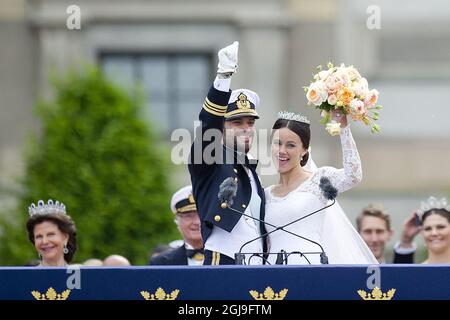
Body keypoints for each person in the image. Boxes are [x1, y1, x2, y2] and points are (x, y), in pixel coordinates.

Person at [188, 41, 267, 265]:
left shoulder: (250, 171)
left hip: (258, 266)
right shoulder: (210, 160)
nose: (245, 128)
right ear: (222, 129)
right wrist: (223, 78)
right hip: (223, 261)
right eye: (236, 122)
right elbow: (208, 128)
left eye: (250, 122)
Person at [264, 111, 377, 264]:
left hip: (309, 269)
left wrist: (343, 127)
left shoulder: (319, 180)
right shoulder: (265, 194)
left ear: (304, 150)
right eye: (277, 143)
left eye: (290, 145)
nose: (282, 151)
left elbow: (353, 176)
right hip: (272, 273)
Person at [150, 185, 204, 266]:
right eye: (189, 216)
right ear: (177, 221)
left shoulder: (227, 258)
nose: (197, 222)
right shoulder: (161, 263)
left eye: (201, 215)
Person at [26, 199, 77, 267]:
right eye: (39, 236)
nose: (44, 241)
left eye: (50, 235)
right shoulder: (26, 276)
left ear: (65, 237)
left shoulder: (80, 275)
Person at [417, 197, 450, 264]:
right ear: (422, 232)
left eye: (441, 227)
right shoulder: (415, 272)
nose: (434, 233)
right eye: (428, 229)